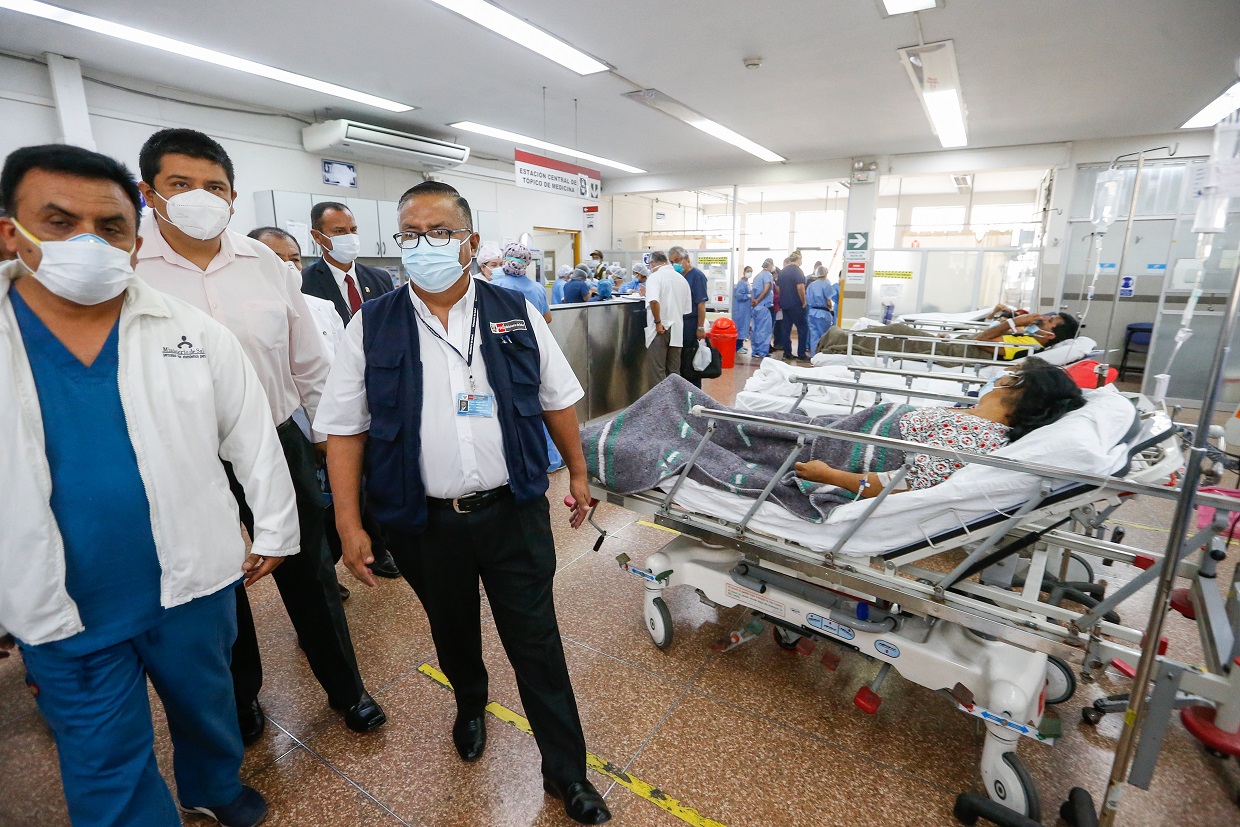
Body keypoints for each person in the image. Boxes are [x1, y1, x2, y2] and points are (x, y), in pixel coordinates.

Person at [0, 144, 297, 827]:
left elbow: (251, 434)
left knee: (209, 704)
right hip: (63, 601)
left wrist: (277, 528)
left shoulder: (190, 331)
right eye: (59, 222)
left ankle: (213, 786)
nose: (88, 242)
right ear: (10, 233)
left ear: (135, 242)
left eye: (109, 227)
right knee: (102, 757)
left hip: (194, 579)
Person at [316, 181, 611, 825]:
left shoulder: (514, 310)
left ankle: (567, 771)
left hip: (513, 511)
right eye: (411, 234)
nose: (424, 245)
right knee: (452, 630)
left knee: (536, 641)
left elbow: (557, 398)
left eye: (440, 232)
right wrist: (348, 522)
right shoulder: (372, 324)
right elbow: (345, 428)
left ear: (470, 242)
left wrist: (579, 471)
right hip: (423, 522)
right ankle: (470, 703)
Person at [132, 128, 385, 744]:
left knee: (309, 569)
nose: (199, 197)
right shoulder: (130, 266)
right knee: (221, 578)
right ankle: (241, 698)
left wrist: (329, 437)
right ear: (148, 192)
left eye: (213, 186)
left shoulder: (264, 263)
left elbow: (309, 361)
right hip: (182, 455)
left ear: (233, 196)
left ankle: (346, 689)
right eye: (180, 184)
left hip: (275, 437)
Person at [795, 358, 1084, 495]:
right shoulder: (973, 416)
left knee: (773, 430)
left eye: (1012, 373)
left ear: (1019, 389)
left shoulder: (976, 436)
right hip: (838, 429)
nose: (1002, 375)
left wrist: (830, 475)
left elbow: (901, 484)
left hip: (829, 448)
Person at [817, 310, 1081, 360]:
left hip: (948, 356)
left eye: (1050, 321)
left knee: (897, 332)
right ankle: (842, 337)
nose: (1042, 318)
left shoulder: (1027, 347)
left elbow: (981, 342)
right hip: (951, 347)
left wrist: (1012, 323)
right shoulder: (1026, 338)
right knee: (896, 331)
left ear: (1050, 335)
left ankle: (836, 340)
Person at [644, 250, 692, 386]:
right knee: (674, 372)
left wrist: (658, 322)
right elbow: (686, 310)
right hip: (677, 330)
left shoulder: (655, 277)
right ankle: (675, 399)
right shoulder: (682, 280)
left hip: (660, 329)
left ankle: (660, 400)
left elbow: (654, 301)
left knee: (657, 372)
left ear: (652, 263)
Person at [668, 246, 708, 388]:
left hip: (691, 323)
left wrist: (700, 327)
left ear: (687, 259)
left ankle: (694, 394)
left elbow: (701, 304)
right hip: (678, 323)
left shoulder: (697, 276)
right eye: (672, 262)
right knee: (680, 362)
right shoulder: (677, 277)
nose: (675, 264)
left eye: (677, 260)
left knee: (690, 362)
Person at [488, 242, 551, 323]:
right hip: (534, 331)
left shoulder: (494, 286)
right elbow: (548, 318)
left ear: (504, 261)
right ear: (526, 263)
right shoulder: (539, 288)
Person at [777, 251, 809, 361]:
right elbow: (800, 287)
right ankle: (801, 354)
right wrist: (803, 301)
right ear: (798, 259)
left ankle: (787, 353)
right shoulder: (798, 271)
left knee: (786, 330)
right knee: (803, 329)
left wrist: (784, 297)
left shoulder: (783, 271)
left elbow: (778, 288)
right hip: (796, 305)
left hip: (785, 305)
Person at [806, 265, 838, 353]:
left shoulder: (811, 285)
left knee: (814, 336)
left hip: (812, 313)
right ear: (826, 273)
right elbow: (829, 302)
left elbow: (807, 299)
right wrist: (830, 308)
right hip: (823, 314)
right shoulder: (826, 285)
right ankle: (822, 355)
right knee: (824, 336)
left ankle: (814, 355)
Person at [749, 259, 774, 358]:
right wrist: (758, 300)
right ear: (770, 265)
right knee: (764, 330)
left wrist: (754, 301)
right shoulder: (768, 275)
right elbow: (766, 289)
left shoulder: (757, 276)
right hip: (763, 306)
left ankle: (755, 351)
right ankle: (762, 352)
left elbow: (752, 291)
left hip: (755, 307)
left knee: (755, 329)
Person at [732, 266, 753, 353]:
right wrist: (748, 296)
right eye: (748, 271)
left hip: (745, 310)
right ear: (744, 272)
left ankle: (740, 345)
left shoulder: (747, 283)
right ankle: (737, 347)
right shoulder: (741, 283)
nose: (749, 273)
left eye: (751, 271)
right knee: (740, 328)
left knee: (743, 328)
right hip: (740, 310)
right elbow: (738, 295)